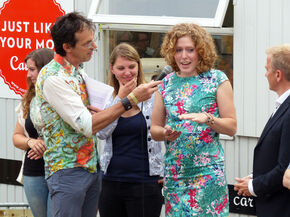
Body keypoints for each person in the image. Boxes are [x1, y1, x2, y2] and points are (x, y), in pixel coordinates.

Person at [29, 12, 161, 217]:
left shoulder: (79, 72)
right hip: (67, 171)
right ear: (67, 47)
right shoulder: (53, 77)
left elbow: (96, 121)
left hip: (91, 168)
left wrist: (110, 110)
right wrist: (130, 100)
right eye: (88, 43)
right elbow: (87, 125)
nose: (95, 47)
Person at [150, 23, 237, 216]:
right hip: (176, 175)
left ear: (201, 51)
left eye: (190, 50)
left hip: (207, 175)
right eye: (178, 50)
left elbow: (231, 127)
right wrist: (165, 132)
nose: (184, 56)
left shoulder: (217, 79)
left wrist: (208, 119)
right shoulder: (165, 84)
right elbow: (154, 129)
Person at [97, 43, 164, 217]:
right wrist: (121, 99)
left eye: (131, 67)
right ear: (112, 69)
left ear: (139, 67)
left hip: (146, 182)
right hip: (111, 180)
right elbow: (101, 133)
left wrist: (167, 170)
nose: (127, 73)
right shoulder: (106, 97)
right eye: (121, 68)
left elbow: (165, 134)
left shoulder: (152, 96)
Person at [234, 44, 290, 217]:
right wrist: (255, 177)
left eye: (267, 69)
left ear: (278, 74)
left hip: (281, 206)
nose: (265, 74)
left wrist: (253, 187)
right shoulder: (283, 106)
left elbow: (284, 167)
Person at [12, 48, 54, 217]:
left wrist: (47, 144)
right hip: (34, 172)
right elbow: (16, 137)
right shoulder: (29, 98)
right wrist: (31, 142)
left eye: (32, 69)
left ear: (45, 69)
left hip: (60, 170)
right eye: (27, 69)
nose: (28, 74)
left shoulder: (63, 96)